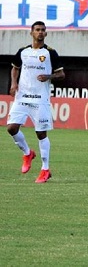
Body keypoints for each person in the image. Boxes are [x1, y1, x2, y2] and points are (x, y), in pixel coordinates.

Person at [7, 21, 65, 184]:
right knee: (11, 128)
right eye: (37, 30)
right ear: (31, 33)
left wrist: (49, 77)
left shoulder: (50, 53)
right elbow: (15, 68)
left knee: (41, 134)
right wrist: (14, 83)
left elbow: (61, 75)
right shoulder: (23, 52)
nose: (40, 32)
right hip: (22, 97)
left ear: (45, 34)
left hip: (40, 99)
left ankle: (45, 169)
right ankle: (27, 153)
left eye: (43, 30)